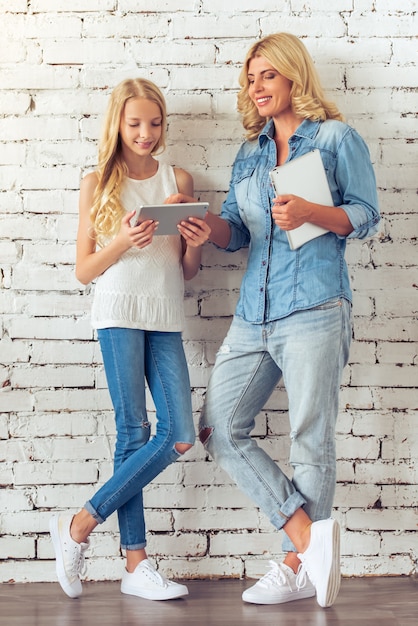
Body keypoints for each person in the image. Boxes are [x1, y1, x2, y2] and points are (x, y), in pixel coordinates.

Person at [170, 33, 380, 608]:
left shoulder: (335, 138)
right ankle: (310, 540)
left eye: (267, 75)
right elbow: (237, 232)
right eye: (250, 77)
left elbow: (367, 215)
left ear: (292, 77)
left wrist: (313, 211)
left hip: (316, 306)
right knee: (217, 426)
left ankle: (296, 568)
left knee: (311, 440)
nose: (256, 87)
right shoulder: (250, 152)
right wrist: (203, 226)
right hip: (253, 316)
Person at [49, 78, 211, 601]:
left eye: (155, 123)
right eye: (135, 123)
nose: (146, 133)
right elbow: (83, 270)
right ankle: (136, 563)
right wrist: (122, 239)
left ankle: (79, 523)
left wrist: (194, 242)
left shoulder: (177, 178)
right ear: (118, 123)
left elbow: (186, 272)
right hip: (118, 313)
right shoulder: (97, 182)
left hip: (165, 315)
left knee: (179, 434)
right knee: (134, 432)